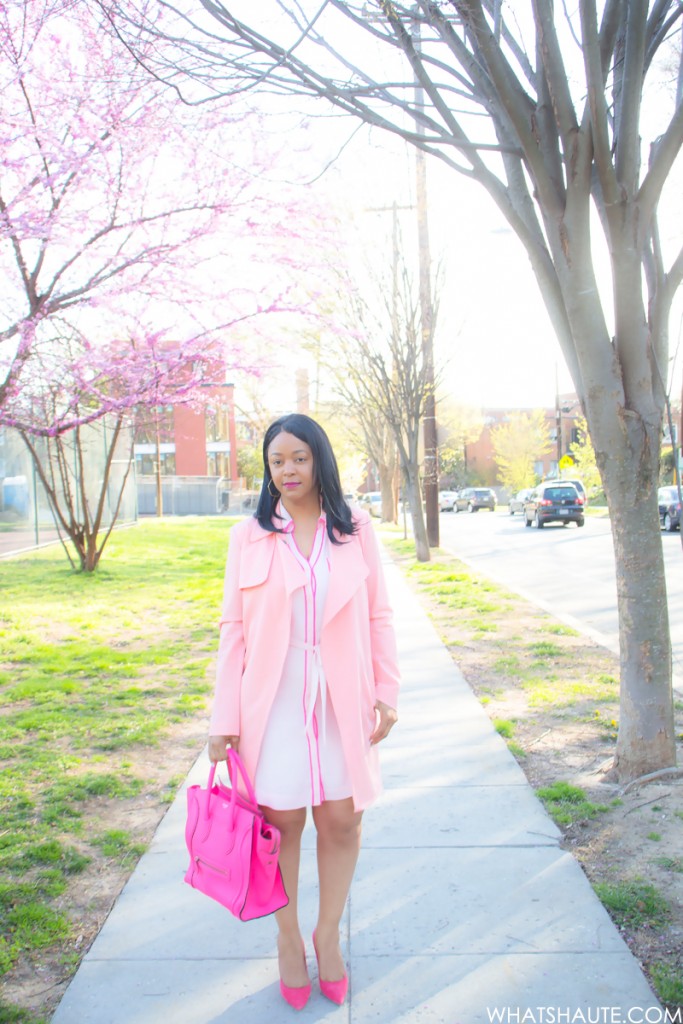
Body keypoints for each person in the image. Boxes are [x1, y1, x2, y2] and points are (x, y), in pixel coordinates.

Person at [208, 413, 400, 1010]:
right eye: (276, 461)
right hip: (275, 699)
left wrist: (386, 689)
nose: (287, 470)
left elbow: (378, 614)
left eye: (298, 457)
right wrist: (224, 720)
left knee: (342, 818)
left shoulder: (355, 528)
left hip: (340, 694)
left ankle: (327, 934)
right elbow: (233, 631)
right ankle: (288, 938)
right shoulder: (250, 535)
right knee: (282, 823)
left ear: (318, 459)